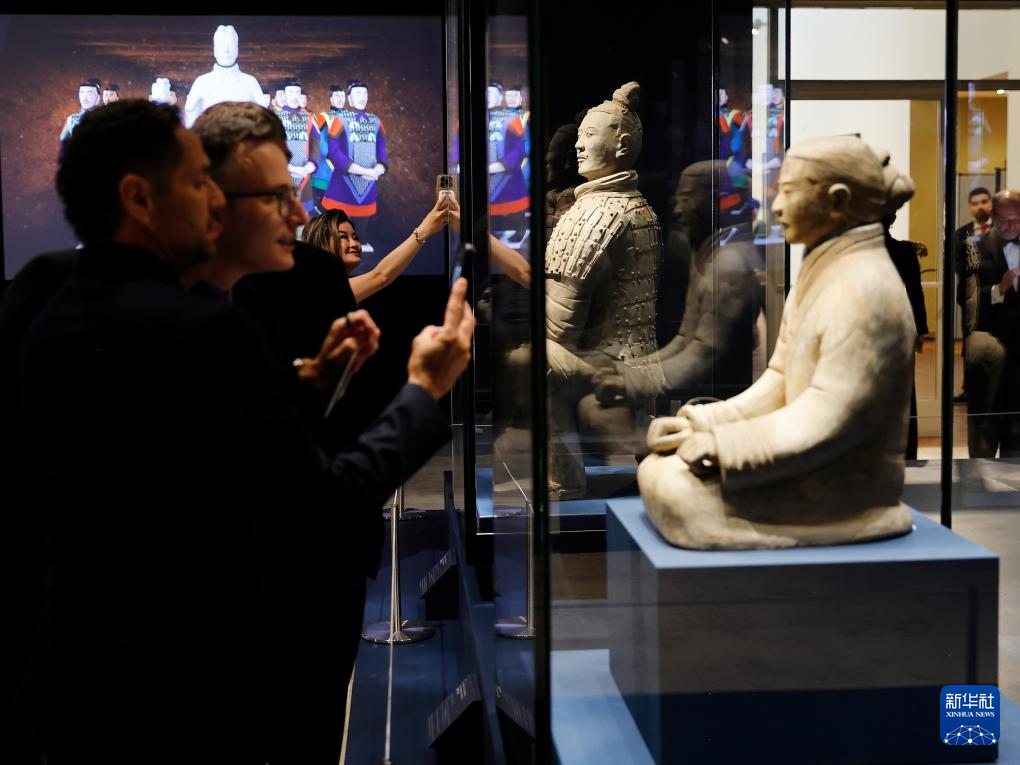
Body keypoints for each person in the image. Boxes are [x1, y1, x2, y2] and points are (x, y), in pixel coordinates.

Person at [16, 99, 473, 763]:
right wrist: (425, 392)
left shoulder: (49, 292)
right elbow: (318, 505)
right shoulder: (203, 329)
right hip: (194, 693)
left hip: (77, 681)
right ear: (139, 198)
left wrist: (308, 382)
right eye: (200, 181)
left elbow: (193, 449)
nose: (216, 202)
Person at [639, 135, 916, 550]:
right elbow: (781, 378)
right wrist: (704, 423)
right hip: (813, 451)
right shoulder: (825, 269)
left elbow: (832, 414)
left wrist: (724, 445)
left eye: (787, 192)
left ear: (837, 201)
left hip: (844, 475)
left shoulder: (867, 288)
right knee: (659, 469)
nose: (777, 207)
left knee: (673, 488)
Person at [544, 82, 661, 499]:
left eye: (589, 135)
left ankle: (564, 481)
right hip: (642, 361)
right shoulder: (639, 204)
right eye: (579, 136)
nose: (578, 145)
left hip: (611, 370)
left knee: (534, 357)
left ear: (622, 145)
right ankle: (658, 457)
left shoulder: (595, 213)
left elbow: (560, 326)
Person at [960, 188, 1020, 457]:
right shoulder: (974, 246)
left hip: (1019, 358)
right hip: (988, 356)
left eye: (1016, 220)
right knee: (983, 439)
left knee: (1016, 446)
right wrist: (999, 289)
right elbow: (965, 299)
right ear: (993, 215)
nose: (1010, 226)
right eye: (1004, 220)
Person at [303, 200, 450, 303]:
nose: (354, 243)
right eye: (343, 237)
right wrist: (424, 231)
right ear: (321, 242)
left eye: (355, 237)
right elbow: (381, 276)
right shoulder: (323, 288)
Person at [322, 80, 387, 252]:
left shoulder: (375, 121)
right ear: (349, 99)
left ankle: (361, 240)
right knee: (340, 215)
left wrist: (379, 169)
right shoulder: (340, 120)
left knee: (363, 215)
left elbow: (381, 148)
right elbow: (333, 151)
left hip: (369, 181)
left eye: (365, 93)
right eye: (358, 93)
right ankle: (337, 242)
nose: (362, 97)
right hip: (343, 180)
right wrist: (360, 170)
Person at [182, 24, 264, 128]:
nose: (226, 50)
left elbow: (263, 117)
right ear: (215, 50)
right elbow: (190, 116)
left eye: (231, 45)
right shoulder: (202, 82)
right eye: (221, 45)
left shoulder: (250, 82)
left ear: (237, 50)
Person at [954, 186, 993, 402]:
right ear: (970, 207)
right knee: (971, 346)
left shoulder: (1003, 229)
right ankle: (970, 389)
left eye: (984, 201)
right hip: (971, 299)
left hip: (998, 298)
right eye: (975, 203)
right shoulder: (961, 233)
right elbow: (957, 265)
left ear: (991, 204)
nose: (980, 206)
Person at [58, 78, 101, 150]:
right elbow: (63, 138)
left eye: (89, 94)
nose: (85, 98)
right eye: (82, 93)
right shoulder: (71, 119)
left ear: (98, 97)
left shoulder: (104, 117)